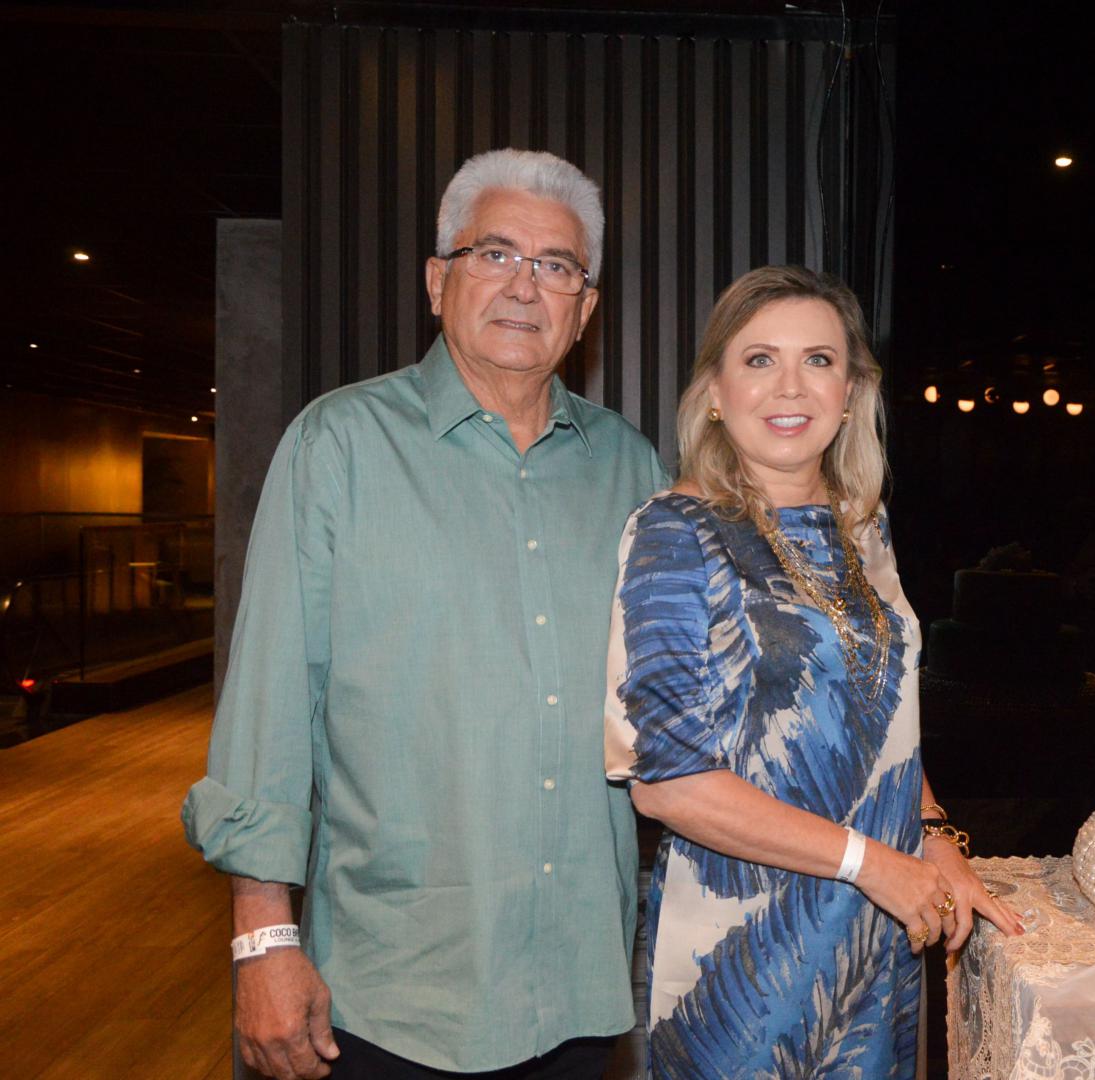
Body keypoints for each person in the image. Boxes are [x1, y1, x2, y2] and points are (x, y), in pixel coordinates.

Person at [183, 148, 666, 1080]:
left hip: (579, 984)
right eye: (496, 253)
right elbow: (269, 707)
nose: (525, 285)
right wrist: (262, 938)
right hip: (387, 996)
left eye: (557, 265)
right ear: (438, 281)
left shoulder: (630, 468)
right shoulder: (339, 446)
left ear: (585, 308)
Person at [604, 266, 1023, 1077]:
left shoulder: (862, 525)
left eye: (819, 360)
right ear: (715, 392)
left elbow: (882, 717)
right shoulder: (676, 534)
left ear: (851, 391)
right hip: (746, 957)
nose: (790, 386)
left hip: (879, 933)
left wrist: (934, 837)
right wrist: (876, 864)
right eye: (760, 359)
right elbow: (668, 785)